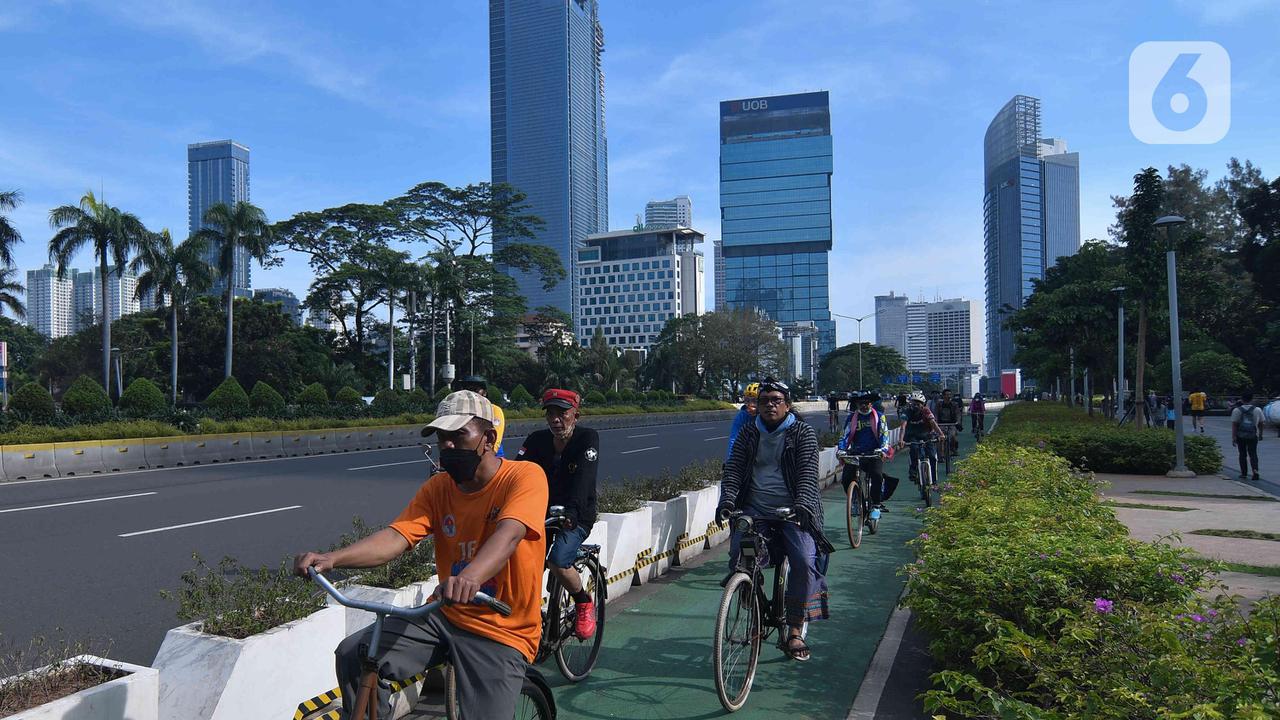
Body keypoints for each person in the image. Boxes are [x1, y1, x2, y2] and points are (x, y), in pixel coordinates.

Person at [293, 390, 547, 719]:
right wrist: (332, 559)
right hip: (445, 615)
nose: (449, 446)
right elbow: (396, 537)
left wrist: (470, 577)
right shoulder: (438, 489)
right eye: (442, 438)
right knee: (354, 654)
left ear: (488, 439)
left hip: (502, 629)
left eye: (458, 435)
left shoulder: (524, 477)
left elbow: (509, 534)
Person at [717, 378, 833, 663]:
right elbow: (732, 471)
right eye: (765, 400)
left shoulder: (802, 433)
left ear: (787, 405)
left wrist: (803, 505)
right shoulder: (748, 433)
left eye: (776, 400)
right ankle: (747, 587)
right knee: (740, 555)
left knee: (805, 562)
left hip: (794, 513)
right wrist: (728, 501)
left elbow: (807, 474)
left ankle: (795, 629)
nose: (769, 404)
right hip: (756, 511)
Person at [515, 389, 600, 639]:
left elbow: (584, 480)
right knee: (518, 560)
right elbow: (516, 473)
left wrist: (573, 513)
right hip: (539, 516)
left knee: (558, 560)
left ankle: (583, 602)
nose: (556, 419)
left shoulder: (587, 438)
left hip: (576, 517)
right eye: (550, 413)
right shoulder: (535, 440)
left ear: (576, 414)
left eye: (562, 413)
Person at [838, 391, 894, 513]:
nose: (864, 406)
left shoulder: (879, 416)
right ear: (857, 405)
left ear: (871, 404)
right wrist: (841, 450)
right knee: (846, 477)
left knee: (877, 475)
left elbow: (884, 434)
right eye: (860, 403)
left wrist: (882, 449)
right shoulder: (851, 418)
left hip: (874, 452)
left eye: (866, 403)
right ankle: (856, 500)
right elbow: (844, 436)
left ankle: (876, 505)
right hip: (856, 452)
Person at [901, 390, 944, 488]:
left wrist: (941, 434)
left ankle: (934, 479)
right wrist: (901, 440)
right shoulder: (907, 411)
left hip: (927, 435)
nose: (915, 406)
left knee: (932, 457)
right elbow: (903, 426)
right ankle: (913, 470)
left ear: (922, 404)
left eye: (918, 404)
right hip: (912, 435)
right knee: (914, 449)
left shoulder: (926, 411)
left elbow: (933, 423)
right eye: (913, 403)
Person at [458, 375, 507, 458]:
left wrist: (487, 456)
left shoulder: (494, 410)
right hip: (463, 456)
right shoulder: (459, 411)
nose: (471, 393)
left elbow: (496, 440)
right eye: (467, 389)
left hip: (491, 456)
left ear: (484, 393)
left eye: (475, 390)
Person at [1232, 391, 1265, 481]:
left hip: (1240, 435)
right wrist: (1261, 434)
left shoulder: (1237, 410)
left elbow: (1234, 424)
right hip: (1253, 435)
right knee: (1253, 454)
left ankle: (1244, 473)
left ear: (1241, 399)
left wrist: (1234, 437)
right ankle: (1255, 471)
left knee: (1242, 454)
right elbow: (1261, 423)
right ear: (1252, 399)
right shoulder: (1257, 410)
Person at [727, 383, 760, 460]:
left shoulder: (767, 415)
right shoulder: (742, 415)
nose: (750, 404)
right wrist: (730, 461)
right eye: (747, 400)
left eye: (754, 401)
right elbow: (734, 439)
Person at [933, 389, 963, 455]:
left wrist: (958, 422)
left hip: (952, 424)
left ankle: (953, 449)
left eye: (949, 395)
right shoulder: (939, 404)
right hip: (941, 424)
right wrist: (935, 422)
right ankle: (941, 454)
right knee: (940, 438)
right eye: (946, 395)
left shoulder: (954, 404)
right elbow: (936, 414)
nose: (948, 396)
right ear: (943, 396)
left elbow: (958, 414)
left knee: (952, 437)